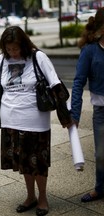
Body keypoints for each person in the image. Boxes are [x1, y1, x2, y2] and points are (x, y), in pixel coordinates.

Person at [0, 26, 71, 216]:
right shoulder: (2, 60)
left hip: (35, 121)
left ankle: (42, 198)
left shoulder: (37, 57)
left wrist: (65, 117)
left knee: (38, 162)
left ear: (23, 44)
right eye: (8, 49)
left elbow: (55, 84)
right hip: (10, 120)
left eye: (15, 48)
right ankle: (30, 196)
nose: (12, 52)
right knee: (24, 162)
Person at [70, 7, 104, 203]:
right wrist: (75, 113)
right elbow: (78, 82)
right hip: (101, 111)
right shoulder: (90, 51)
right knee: (101, 154)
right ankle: (100, 188)